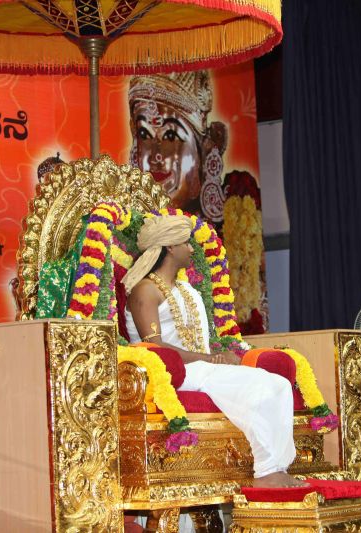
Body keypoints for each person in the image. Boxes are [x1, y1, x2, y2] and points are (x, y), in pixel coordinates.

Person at [122, 215, 306, 488]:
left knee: (277, 384)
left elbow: (201, 341)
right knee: (258, 388)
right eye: (185, 243)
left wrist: (216, 359)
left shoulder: (187, 290)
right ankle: (267, 472)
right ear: (170, 247)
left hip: (201, 368)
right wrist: (211, 359)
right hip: (171, 373)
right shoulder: (145, 291)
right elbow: (156, 346)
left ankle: (276, 468)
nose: (191, 249)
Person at [128, 71, 227, 222]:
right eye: (144, 134)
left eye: (170, 136)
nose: (155, 155)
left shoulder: (223, 232)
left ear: (204, 148)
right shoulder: (125, 231)